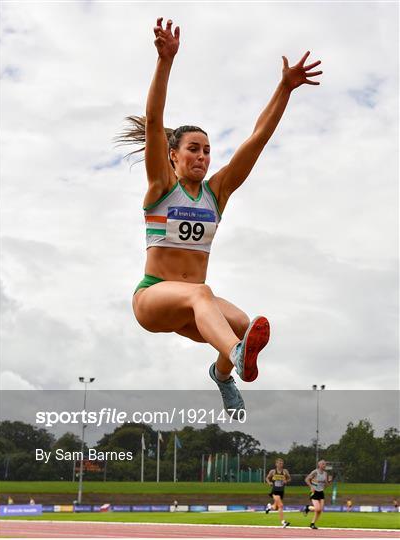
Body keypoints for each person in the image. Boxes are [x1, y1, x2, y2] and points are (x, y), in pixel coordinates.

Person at [120, 18, 322, 415]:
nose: (202, 156)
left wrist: (284, 88)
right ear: (173, 155)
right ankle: (237, 355)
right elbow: (155, 116)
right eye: (193, 149)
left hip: (193, 309)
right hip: (154, 298)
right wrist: (165, 62)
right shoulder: (162, 186)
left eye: (207, 150)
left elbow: (257, 138)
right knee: (204, 295)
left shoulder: (217, 193)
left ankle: (222, 373)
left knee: (245, 323)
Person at [303, 459, 331, 529]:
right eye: (323, 464)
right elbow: (306, 479)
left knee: (320, 510)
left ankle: (312, 523)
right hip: (314, 492)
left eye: (325, 464)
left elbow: (326, 485)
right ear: (319, 465)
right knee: (317, 509)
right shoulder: (315, 472)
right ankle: (307, 508)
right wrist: (311, 486)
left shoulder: (325, 474)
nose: (324, 465)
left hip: (321, 492)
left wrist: (329, 481)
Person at [265, 457, 291, 528]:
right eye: (279, 463)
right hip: (275, 491)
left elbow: (289, 478)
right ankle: (283, 522)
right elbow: (267, 478)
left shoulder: (285, 471)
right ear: (276, 464)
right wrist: (269, 482)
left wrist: (286, 481)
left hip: (281, 491)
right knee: (281, 505)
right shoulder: (273, 471)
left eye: (282, 463)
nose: (281, 464)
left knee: (276, 507)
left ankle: (269, 507)